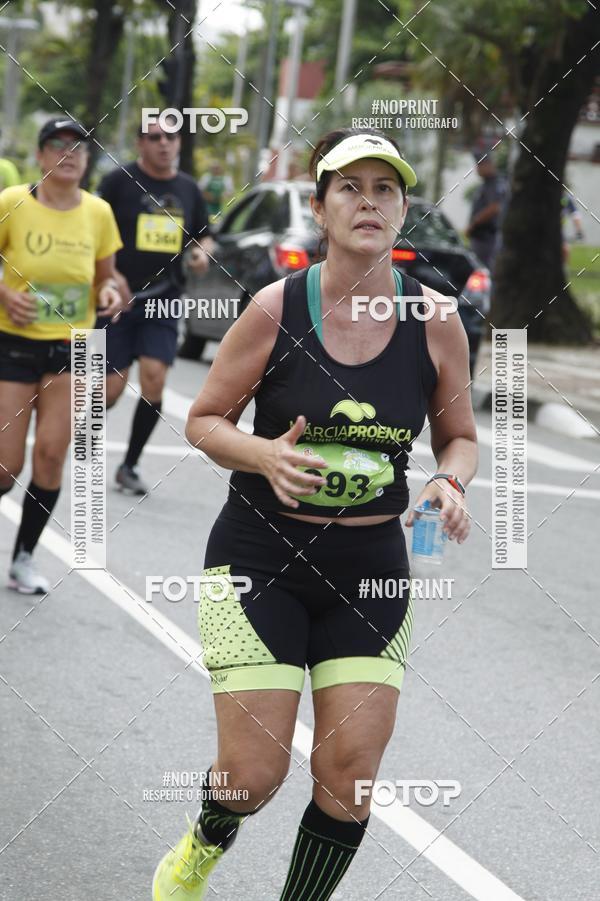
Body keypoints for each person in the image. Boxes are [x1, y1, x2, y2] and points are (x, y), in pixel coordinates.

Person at [151, 128, 478, 900]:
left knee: (351, 772)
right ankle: (206, 838)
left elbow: (458, 436)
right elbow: (204, 418)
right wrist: (262, 454)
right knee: (253, 776)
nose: (369, 202)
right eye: (350, 188)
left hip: (370, 571)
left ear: (402, 209)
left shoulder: (436, 318)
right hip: (259, 559)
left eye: (385, 189)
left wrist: (450, 483)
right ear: (321, 208)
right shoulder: (275, 306)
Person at [0, 118, 123, 593]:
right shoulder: (13, 203)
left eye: (78, 148)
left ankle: (24, 558)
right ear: (41, 156)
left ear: (88, 161)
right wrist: (5, 296)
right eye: (57, 145)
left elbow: (105, 277)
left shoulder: (98, 212)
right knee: (6, 464)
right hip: (13, 342)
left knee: (51, 454)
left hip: (76, 346)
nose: (68, 154)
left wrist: (109, 292)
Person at [97, 120, 213, 495]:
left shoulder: (188, 189)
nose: (164, 144)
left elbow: (205, 235)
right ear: (140, 143)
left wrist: (200, 254)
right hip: (118, 299)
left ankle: (129, 464)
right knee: (111, 389)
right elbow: (94, 232)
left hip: (164, 298)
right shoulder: (117, 182)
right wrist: (111, 276)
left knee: (154, 379)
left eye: (171, 137)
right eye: (154, 137)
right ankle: (79, 433)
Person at [466, 150, 508, 271]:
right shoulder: (486, 184)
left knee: (483, 271)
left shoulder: (494, 183)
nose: (477, 168)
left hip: (486, 238)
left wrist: (474, 223)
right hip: (481, 238)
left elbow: (494, 208)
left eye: (480, 164)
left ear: (488, 164)